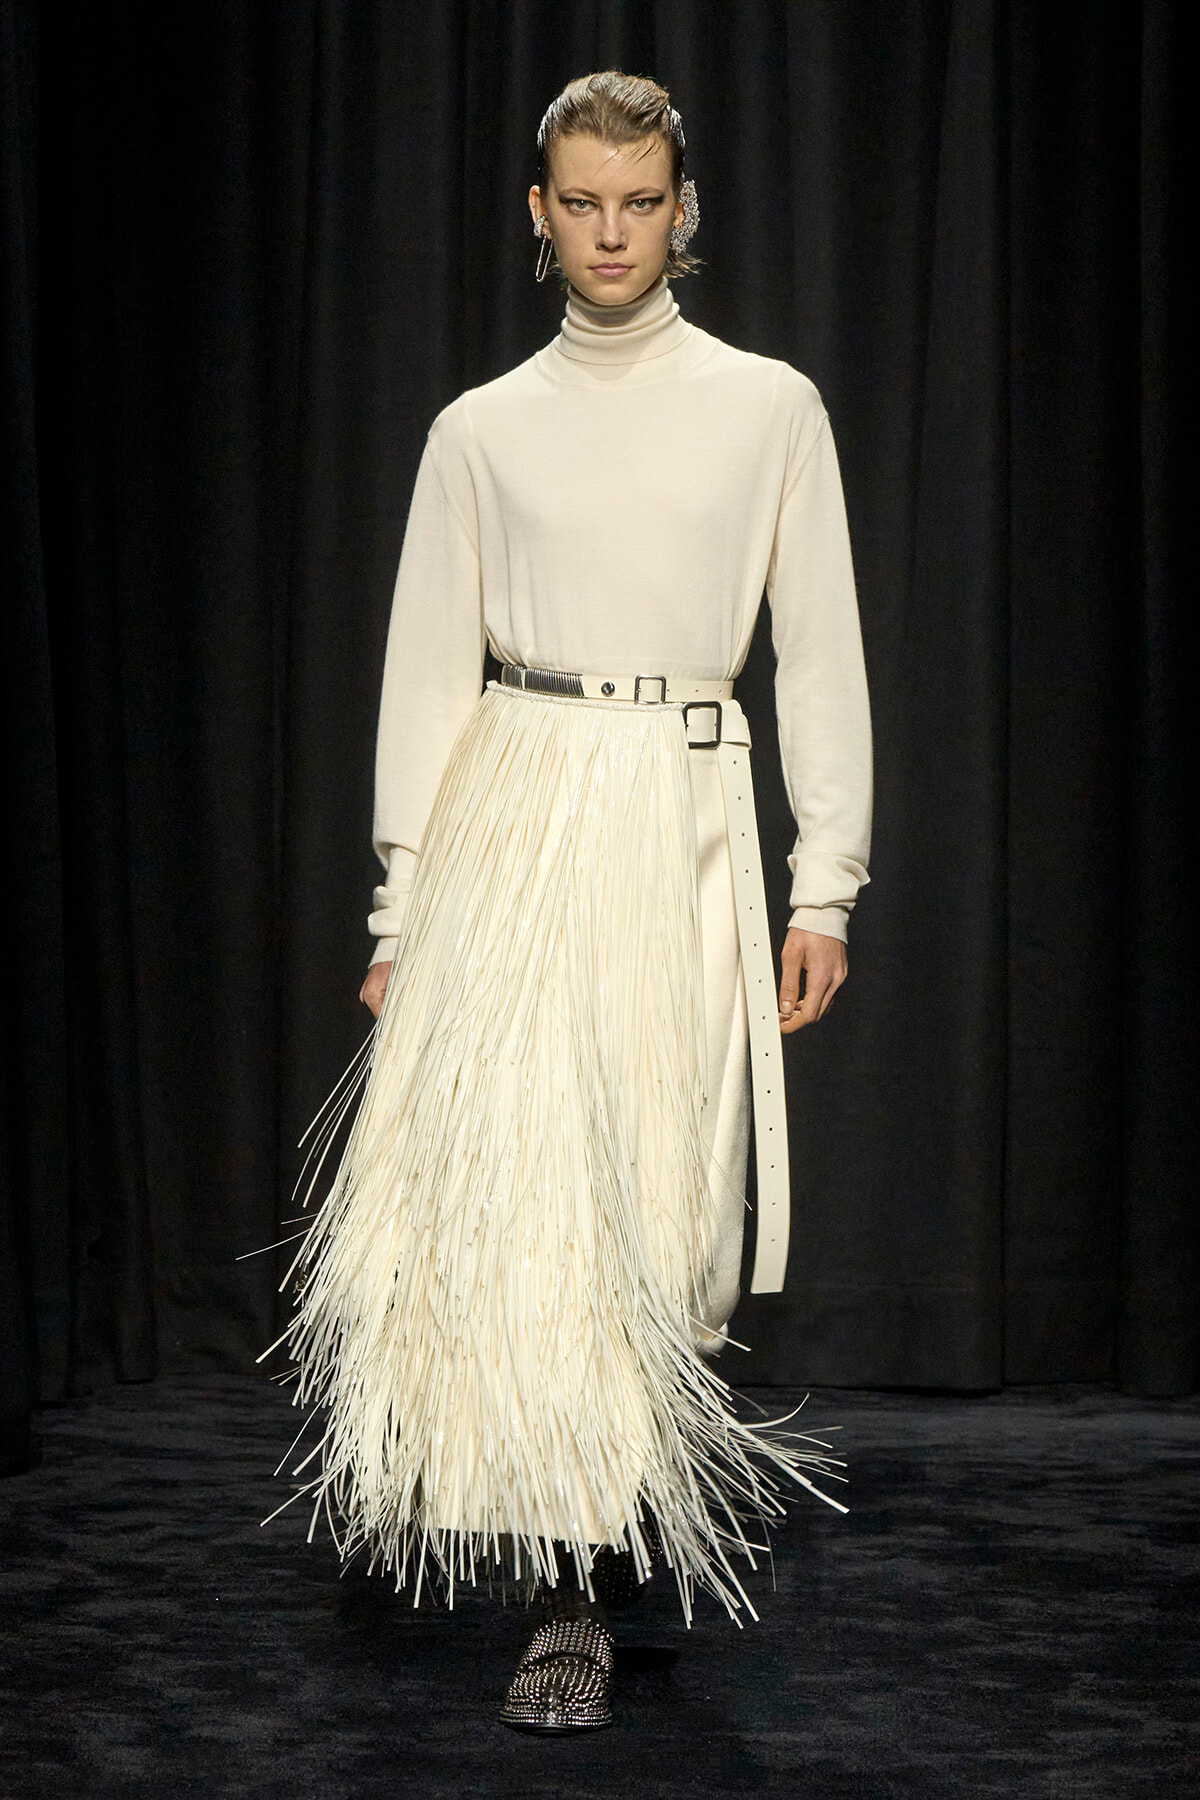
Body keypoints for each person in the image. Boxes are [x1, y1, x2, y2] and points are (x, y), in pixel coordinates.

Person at [273, 70, 872, 1735]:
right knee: (532, 1211)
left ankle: (614, 1526)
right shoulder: (480, 431)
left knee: (665, 1210)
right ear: (539, 216)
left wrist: (824, 880)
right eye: (582, 201)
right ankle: (571, 1593)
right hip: (518, 821)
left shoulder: (769, 409)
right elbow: (423, 685)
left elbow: (818, 655)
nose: (614, 232)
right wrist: (405, 917)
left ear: (687, 211)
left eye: (643, 199)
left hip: (682, 808)